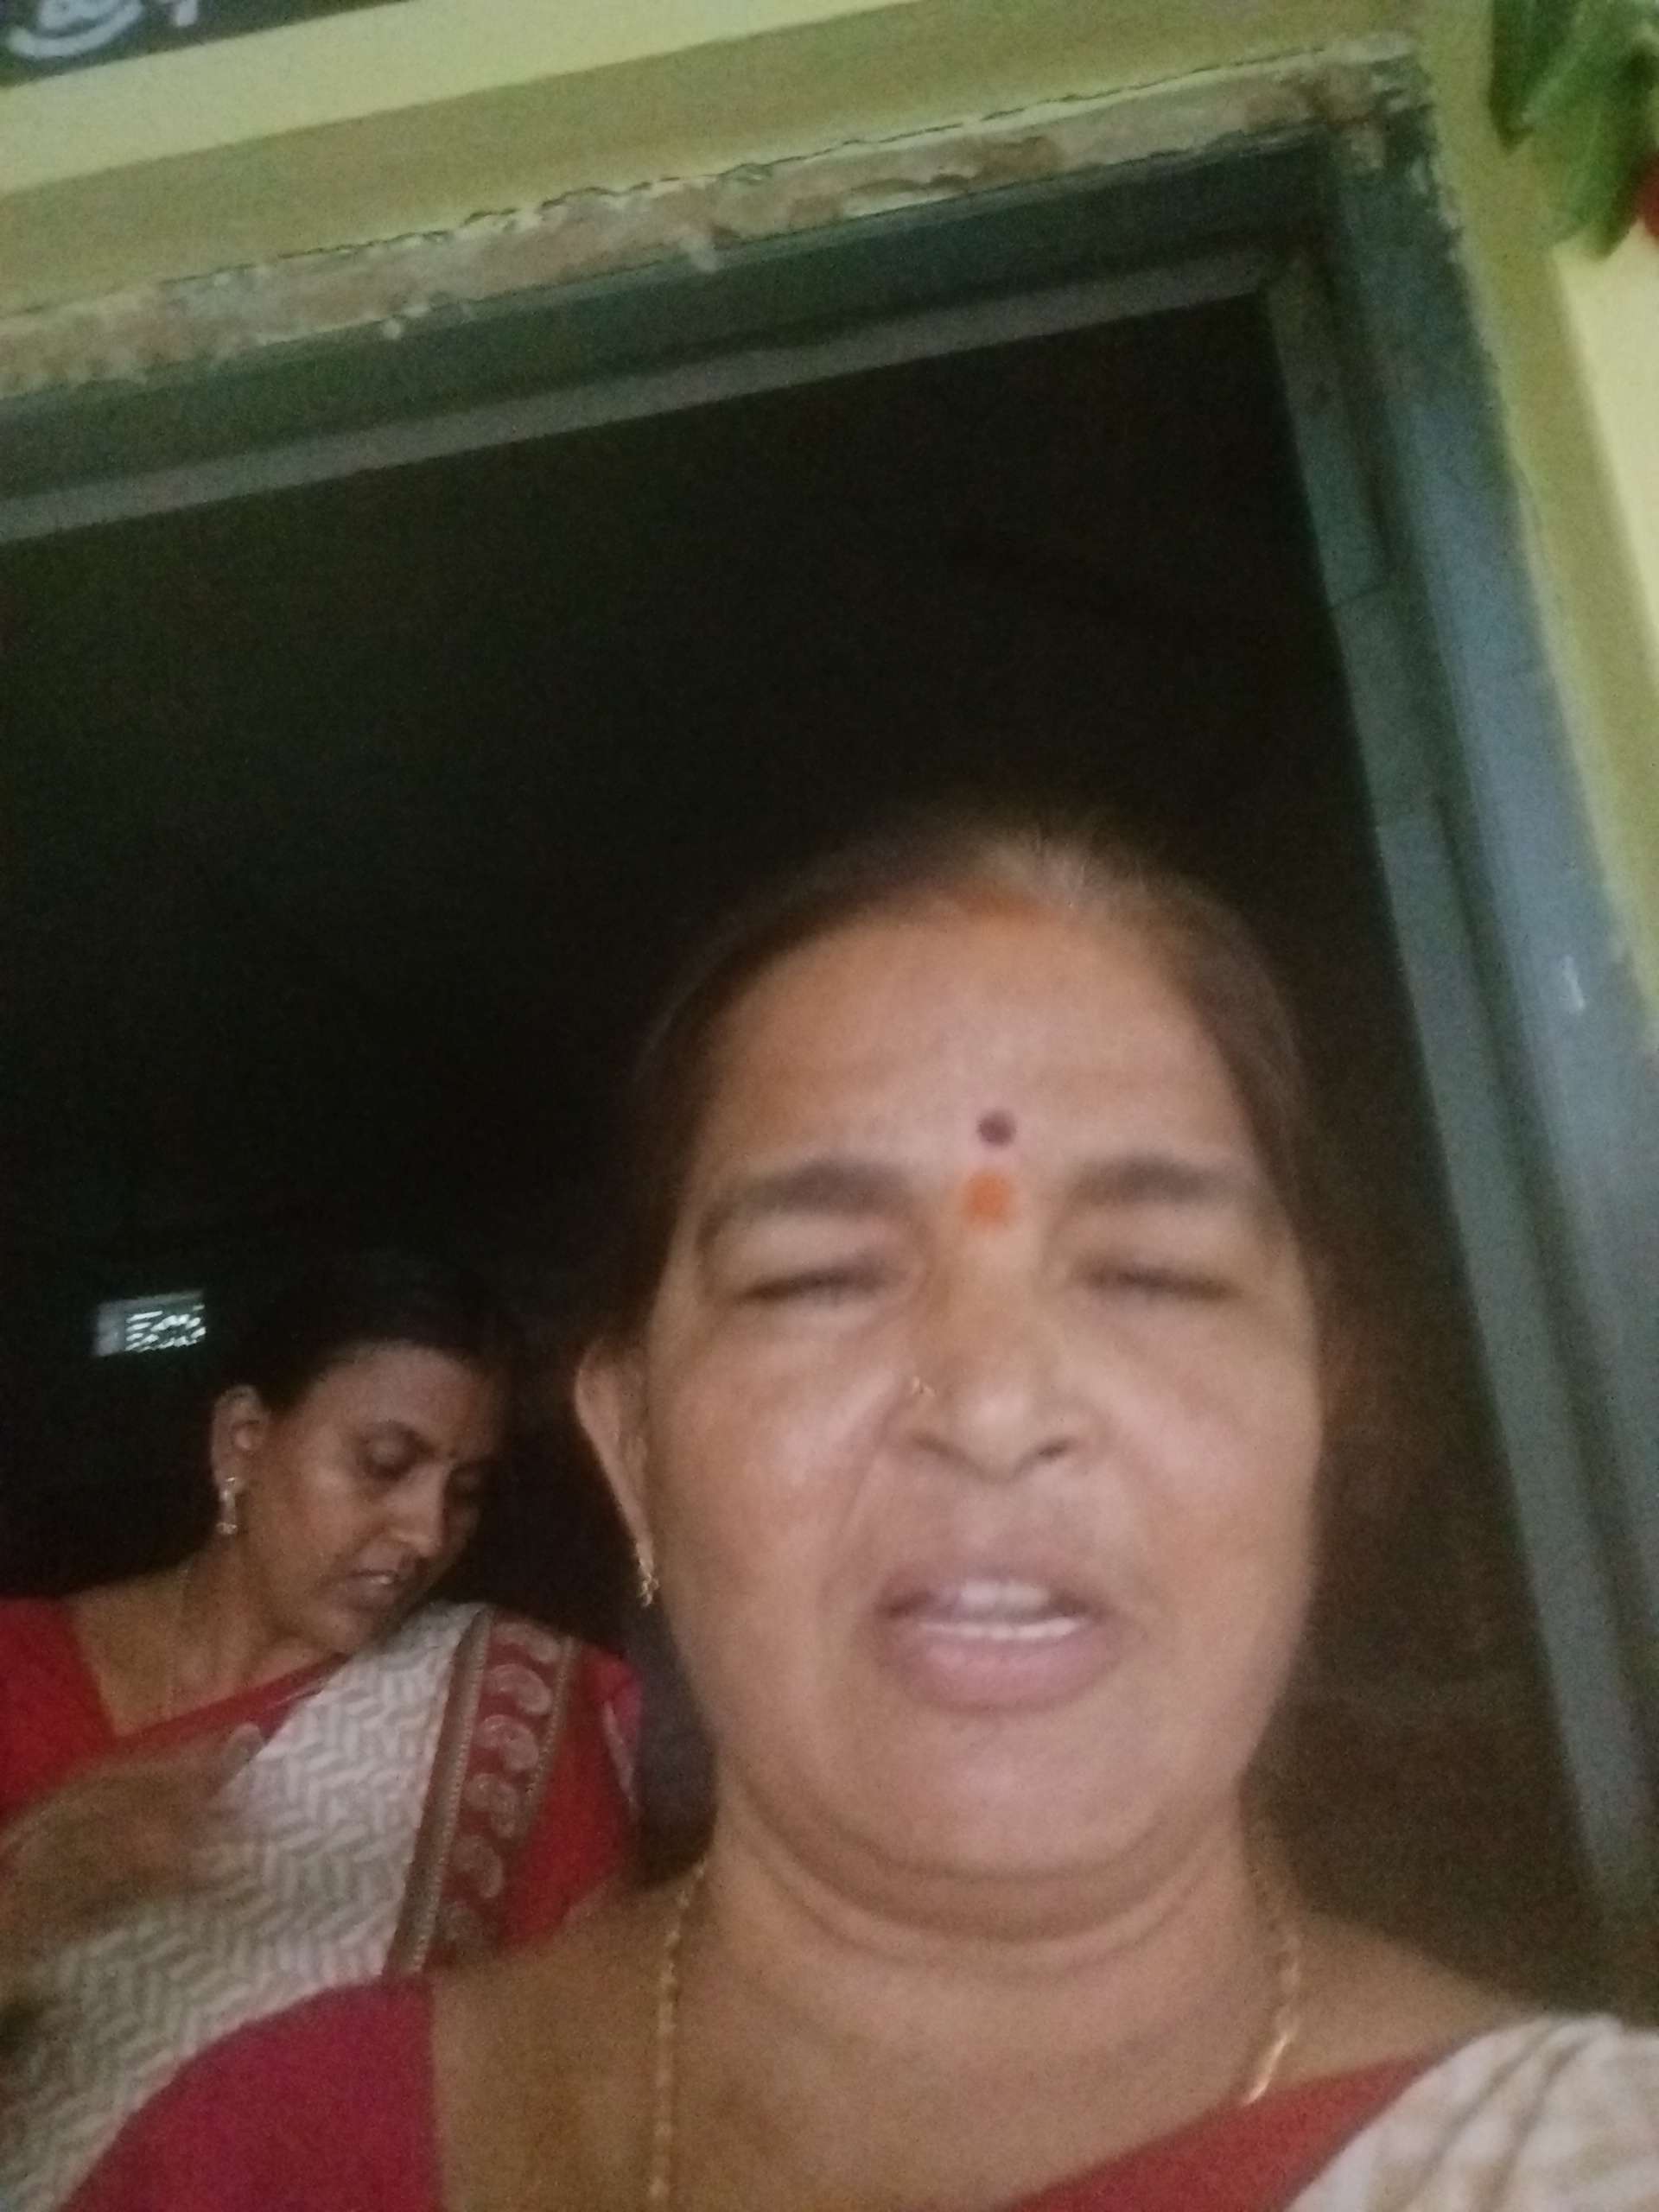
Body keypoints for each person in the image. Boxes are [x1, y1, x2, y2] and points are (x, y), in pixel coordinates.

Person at [67, 815, 1659, 2210]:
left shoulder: (1570, 2161)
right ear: (632, 1446)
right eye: (817, 1279)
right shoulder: (270, 2155)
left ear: (1320, 1411)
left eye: (1153, 1276)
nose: (992, 1407)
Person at [0, 1248, 637, 2211]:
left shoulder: (508, 1710)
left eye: (465, 1489)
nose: (427, 1532)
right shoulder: (19, 1673)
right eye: (385, 1465)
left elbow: (591, 2079)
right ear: (243, 1441)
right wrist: (24, 1913)